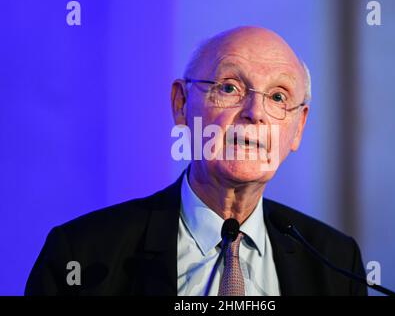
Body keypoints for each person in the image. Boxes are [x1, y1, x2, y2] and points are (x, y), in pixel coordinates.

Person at [25, 26, 367, 296]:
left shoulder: (335, 262)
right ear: (181, 103)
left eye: (278, 96)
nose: (255, 113)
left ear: (298, 128)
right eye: (230, 88)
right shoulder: (82, 254)